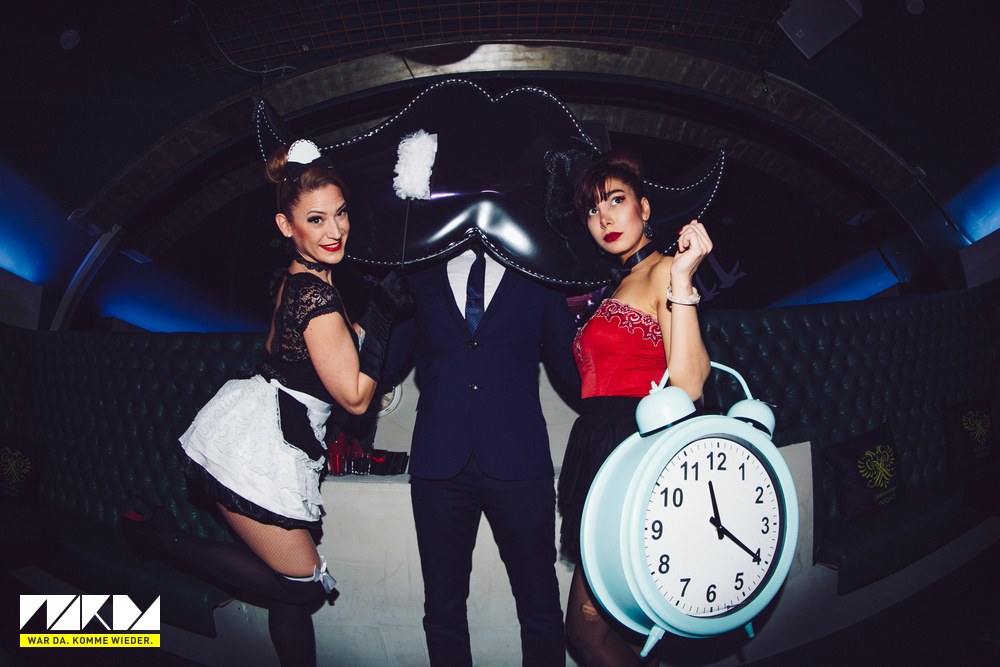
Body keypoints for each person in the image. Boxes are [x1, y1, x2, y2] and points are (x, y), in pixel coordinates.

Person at [122, 139, 410, 667]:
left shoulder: (301, 281)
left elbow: (303, 352)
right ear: (286, 225)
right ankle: (160, 538)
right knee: (302, 585)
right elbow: (355, 398)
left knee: (288, 601)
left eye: (341, 213)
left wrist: (367, 320)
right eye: (316, 219)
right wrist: (384, 318)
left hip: (271, 427)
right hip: (260, 442)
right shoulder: (315, 294)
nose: (335, 230)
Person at [384, 236, 581, 667]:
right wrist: (379, 309)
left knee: (541, 608)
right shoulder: (418, 278)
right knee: (442, 610)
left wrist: (631, 402)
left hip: (520, 463)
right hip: (439, 465)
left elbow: (572, 369)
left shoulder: (538, 276)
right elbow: (384, 365)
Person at [556, 150, 713, 666]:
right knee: (624, 625)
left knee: (585, 630)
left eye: (616, 201)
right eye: (592, 210)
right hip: (599, 450)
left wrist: (683, 279)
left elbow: (689, 383)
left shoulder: (665, 269)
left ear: (644, 208)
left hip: (633, 453)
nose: (604, 218)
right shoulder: (617, 285)